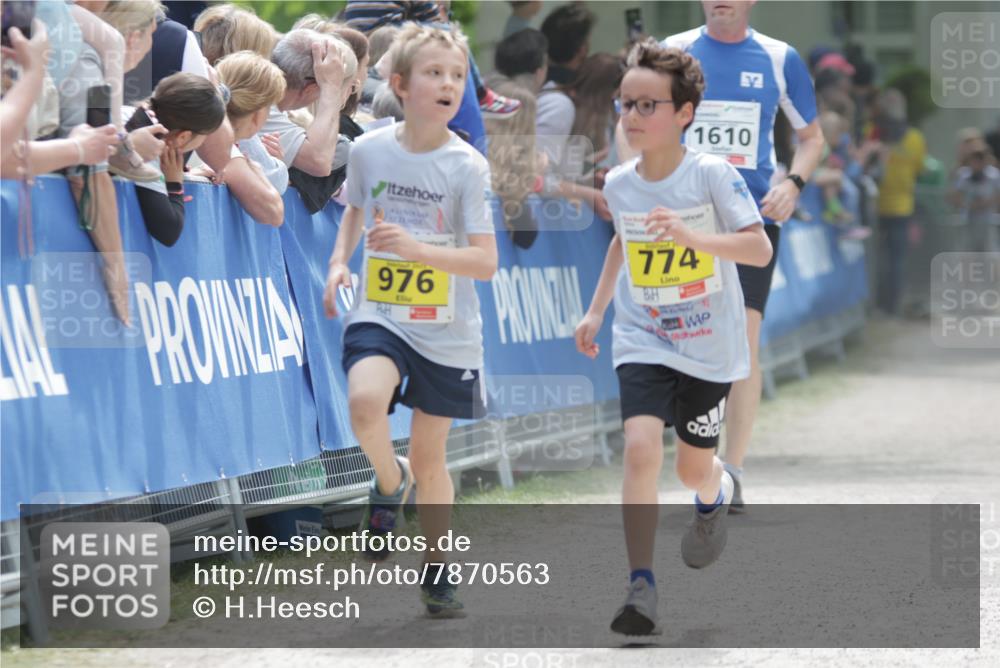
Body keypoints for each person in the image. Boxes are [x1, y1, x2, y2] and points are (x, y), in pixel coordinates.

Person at [574, 41, 772, 636]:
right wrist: (595, 311)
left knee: (691, 471)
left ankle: (712, 497)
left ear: (685, 112)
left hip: (709, 344)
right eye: (625, 104)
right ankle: (641, 585)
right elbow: (623, 243)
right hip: (644, 336)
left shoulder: (711, 174)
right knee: (638, 447)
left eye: (648, 105)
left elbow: (758, 248)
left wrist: (691, 237)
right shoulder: (620, 183)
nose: (632, 117)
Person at [322, 23, 497, 618]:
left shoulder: (467, 166)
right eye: (434, 73)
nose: (448, 84)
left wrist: (420, 250)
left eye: (455, 75)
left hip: (447, 329)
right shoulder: (370, 149)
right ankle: (387, 483)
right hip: (383, 311)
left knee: (431, 459)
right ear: (399, 84)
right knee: (364, 404)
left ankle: (439, 570)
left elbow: (485, 262)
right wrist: (339, 263)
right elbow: (356, 211)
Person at [652, 0, 824, 511]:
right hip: (682, 221)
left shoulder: (778, 57)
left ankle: (735, 470)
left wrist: (793, 183)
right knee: (682, 339)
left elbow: (812, 138)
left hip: (750, 221)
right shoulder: (675, 52)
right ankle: (692, 451)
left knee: (744, 341)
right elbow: (634, 120)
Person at [125, 73, 226, 246]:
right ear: (183, 137)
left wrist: (187, 174)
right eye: (205, 136)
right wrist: (174, 184)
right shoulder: (152, 149)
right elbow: (168, 231)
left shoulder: (129, 113)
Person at [864, 89, 925, 316]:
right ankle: (892, 306)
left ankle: (880, 305)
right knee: (895, 259)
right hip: (901, 206)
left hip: (879, 205)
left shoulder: (872, 133)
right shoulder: (915, 138)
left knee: (879, 259)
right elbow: (919, 169)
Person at [259, 29, 346, 179]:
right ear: (310, 88)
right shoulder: (264, 107)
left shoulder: (265, 100)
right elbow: (320, 162)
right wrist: (332, 88)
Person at [215, 50, 289, 201]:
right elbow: (276, 183)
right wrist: (278, 162)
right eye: (270, 107)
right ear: (258, 114)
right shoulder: (224, 144)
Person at [949, 148, 1000, 252]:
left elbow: (998, 196)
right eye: (973, 161)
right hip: (968, 220)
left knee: (990, 253)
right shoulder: (964, 175)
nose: (976, 164)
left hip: (988, 221)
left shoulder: (994, 176)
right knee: (967, 252)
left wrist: (985, 203)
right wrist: (968, 205)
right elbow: (954, 196)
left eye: (979, 160)